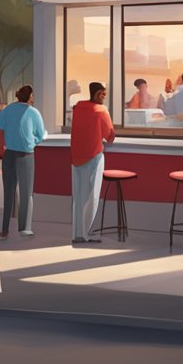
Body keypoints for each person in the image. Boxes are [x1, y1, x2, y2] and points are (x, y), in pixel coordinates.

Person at [0, 86, 46, 240]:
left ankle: (4, 230)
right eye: (33, 95)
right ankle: (25, 229)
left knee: (9, 193)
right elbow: (41, 135)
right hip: (26, 154)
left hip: (9, 154)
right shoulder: (33, 112)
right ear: (29, 96)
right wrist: (31, 141)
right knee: (26, 193)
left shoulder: (8, 110)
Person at [70, 82, 115, 243]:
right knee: (92, 195)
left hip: (76, 157)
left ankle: (77, 233)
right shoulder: (101, 111)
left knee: (78, 195)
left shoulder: (77, 108)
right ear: (97, 94)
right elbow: (110, 135)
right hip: (93, 156)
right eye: (103, 94)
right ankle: (86, 233)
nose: (104, 97)